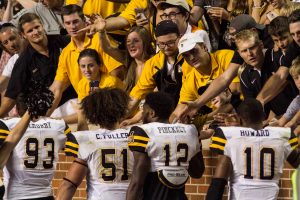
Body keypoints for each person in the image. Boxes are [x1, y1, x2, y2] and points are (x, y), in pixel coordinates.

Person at [178, 10, 300, 121]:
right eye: (243, 50)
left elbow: (281, 78)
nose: (235, 41)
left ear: (258, 40)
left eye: (236, 36)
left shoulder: (276, 43)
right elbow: (225, 78)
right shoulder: (245, 56)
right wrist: (198, 103)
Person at [206, 98, 300, 200]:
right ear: (264, 116)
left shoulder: (230, 135)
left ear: (240, 119)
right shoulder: (281, 136)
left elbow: (218, 182)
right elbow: (297, 162)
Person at [0, 84, 78, 200]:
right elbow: (74, 149)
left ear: (16, 108)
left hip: (15, 195)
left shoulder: (7, 124)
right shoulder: (59, 125)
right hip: (45, 195)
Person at [57, 88, 133, 200]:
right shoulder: (135, 136)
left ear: (93, 113)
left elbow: (69, 185)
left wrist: (81, 114)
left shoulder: (88, 139)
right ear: (121, 110)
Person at [126, 91, 204, 200]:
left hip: (154, 194)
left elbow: (137, 181)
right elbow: (197, 172)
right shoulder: (190, 130)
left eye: (143, 111)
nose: (141, 116)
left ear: (152, 113)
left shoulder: (143, 131)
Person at [49, 4, 124, 116]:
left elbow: (117, 72)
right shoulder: (65, 53)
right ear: (63, 25)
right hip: (83, 100)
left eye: (75, 22)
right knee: (51, 116)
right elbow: (57, 88)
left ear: (84, 21)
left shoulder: (99, 41)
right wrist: (41, 114)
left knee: (63, 120)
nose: (72, 26)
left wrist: (99, 98)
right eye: (68, 23)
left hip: (108, 100)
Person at [0, 13, 76, 118]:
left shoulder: (62, 41)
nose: (35, 32)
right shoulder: (23, 61)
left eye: (37, 27)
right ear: (23, 35)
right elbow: (10, 96)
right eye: (30, 31)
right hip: (51, 110)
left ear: (42, 26)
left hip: (76, 99)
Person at [170, 32, 239, 123]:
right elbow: (176, 113)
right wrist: (177, 121)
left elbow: (236, 97)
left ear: (205, 47)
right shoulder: (191, 80)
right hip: (219, 118)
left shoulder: (226, 57)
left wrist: (202, 119)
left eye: (194, 51)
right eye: (186, 55)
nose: (191, 57)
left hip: (241, 110)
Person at [126, 20, 189, 118]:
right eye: (162, 44)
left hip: (191, 110)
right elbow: (137, 94)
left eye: (171, 42)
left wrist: (174, 118)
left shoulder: (189, 58)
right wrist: (121, 118)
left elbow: (189, 94)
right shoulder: (153, 63)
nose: (166, 48)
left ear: (180, 37)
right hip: (168, 114)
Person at [236, 29, 296, 117]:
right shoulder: (245, 76)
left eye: (252, 48)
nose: (250, 54)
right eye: (244, 51)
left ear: (261, 45)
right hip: (273, 123)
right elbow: (252, 110)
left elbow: (283, 82)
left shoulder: (279, 57)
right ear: (239, 53)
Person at [0, 23, 26, 94]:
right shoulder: (13, 61)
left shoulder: (36, 47)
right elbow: (2, 82)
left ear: (20, 35)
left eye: (12, 38)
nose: (11, 45)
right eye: (6, 43)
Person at [276, 56, 300, 127]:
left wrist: (293, 121)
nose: (299, 81)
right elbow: (282, 121)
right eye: (296, 78)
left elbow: (292, 122)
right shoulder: (297, 100)